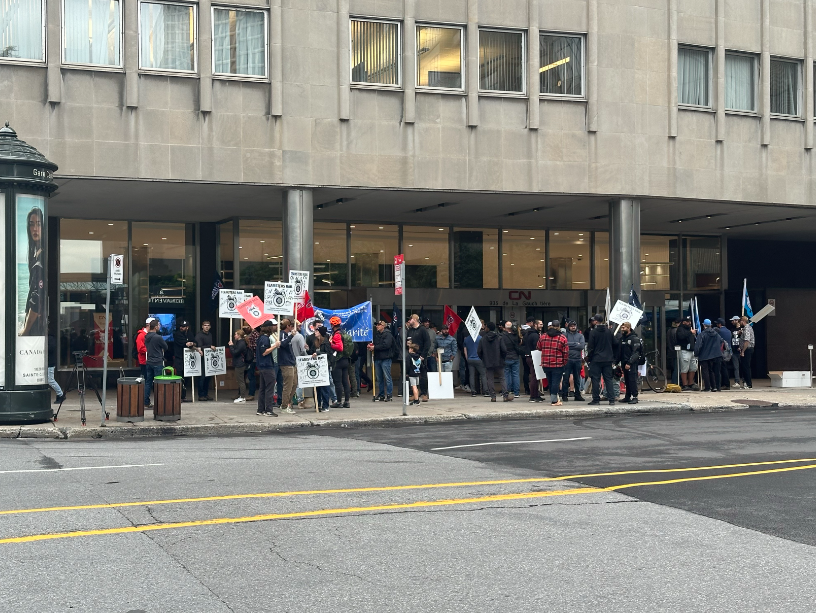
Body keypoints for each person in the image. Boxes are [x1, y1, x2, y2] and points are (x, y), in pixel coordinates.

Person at [19, 207, 44, 337]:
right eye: (32, 224)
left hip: (36, 328)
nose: (35, 228)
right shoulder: (36, 254)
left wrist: (25, 330)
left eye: (39, 224)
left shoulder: (41, 258)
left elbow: (37, 298)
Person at [586, 314, 619, 405]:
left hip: (596, 359)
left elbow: (591, 347)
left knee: (595, 379)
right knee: (608, 379)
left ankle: (596, 399)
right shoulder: (609, 331)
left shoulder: (593, 332)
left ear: (596, 321)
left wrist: (589, 357)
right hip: (608, 359)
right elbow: (615, 343)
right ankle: (611, 399)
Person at [537, 320, 569, 406]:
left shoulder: (543, 336)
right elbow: (565, 353)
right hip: (557, 363)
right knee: (556, 382)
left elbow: (538, 347)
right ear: (559, 326)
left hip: (545, 363)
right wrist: (564, 362)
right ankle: (554, 400)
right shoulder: (562, 338)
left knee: (550, 381)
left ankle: (553, 398)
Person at [477, 322, 508, 402]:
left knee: (490, 379)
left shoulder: (483, 339)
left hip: (488, 361)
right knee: (502, 378)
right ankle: (505, 396)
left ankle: (493, 396)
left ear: (488, 328)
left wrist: (483, 358)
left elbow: (479, 351)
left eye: (486, 327)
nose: (485, 328)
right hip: (499, 361)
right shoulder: (499, 338)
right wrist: (502, 358)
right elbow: (504, 350)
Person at [255, 321, 280, 416]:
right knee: (269, 388)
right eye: (272, 326)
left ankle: (260, 409)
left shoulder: (261, 337)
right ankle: (268, 410)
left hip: (262, 366)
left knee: (262, 388)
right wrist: (275, 346)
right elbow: (264, 352)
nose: (274, 328)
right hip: (267, 366)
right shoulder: (265, 339)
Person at [277, 318, 301, 413]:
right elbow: (282, 344)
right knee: (288, 385)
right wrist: (291, 336)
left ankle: (288, 403)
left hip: (291, 362)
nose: (292, 328)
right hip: (286, 363)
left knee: (294, 384)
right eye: (291, 326)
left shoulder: (286, 335)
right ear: (288, 326)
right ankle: (284, 406)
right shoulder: (282, 334)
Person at [143, 319, 167, 409]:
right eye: (159, 325)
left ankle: (146, 401)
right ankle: (159, 403)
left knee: (148, 382)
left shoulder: (146, 336)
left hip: (149, 361)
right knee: (159, 383)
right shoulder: (158, 337)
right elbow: (166, 347)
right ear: (156, 327)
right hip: (157, 362)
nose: (159, 326)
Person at [308, 326, 332, 412]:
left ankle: (325, 405)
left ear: (320, 333)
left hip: (324, 366)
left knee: (324, 386)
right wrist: (308, 350)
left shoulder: (326, 342)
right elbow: (311, 351)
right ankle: (318, 404)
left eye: (317, 331)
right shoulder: (315, 342)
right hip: (316, 365)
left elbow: (328, 353)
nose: (315, 332)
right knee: (317, 386)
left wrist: (317, 353)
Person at [695, 318, 724, 392]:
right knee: (712, 371)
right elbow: (721, 342)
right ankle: (714, 387)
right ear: (710, 325)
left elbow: (698, 346)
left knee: (705, 371)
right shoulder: (716, 334)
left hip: (704, 356)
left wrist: (696, 354)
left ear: (704, 325)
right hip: (715, 355)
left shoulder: (702, 334)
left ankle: (707, 387)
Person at [406, 315, 430, 401]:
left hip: (420, 356)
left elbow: (427, 343)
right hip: (412, 355)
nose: (409, 321)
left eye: (411, 319)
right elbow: (408, 341)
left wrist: (423, 355)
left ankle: (424, 393)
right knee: (413, 374)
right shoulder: (410, 330)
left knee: (423, 375)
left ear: (415, 320)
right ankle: (415, 393)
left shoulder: (422, 329)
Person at [618, 322, 643, 404]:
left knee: (632, 379)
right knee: (627, 380)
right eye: (621, 328)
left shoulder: (634, 338)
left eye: (624, 328)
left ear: (628, 328)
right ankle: (627, 396)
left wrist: (629, 363)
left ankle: (635, 396)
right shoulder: (622, 338)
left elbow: (636, 352)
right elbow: (620, 352)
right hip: (624, 362)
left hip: (631, 363)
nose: (622, 329)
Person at [329, 316, 352, 408]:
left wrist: (331, 343)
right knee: (345, 381)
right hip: (345, 360)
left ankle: (338, 402)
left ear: (332, 325)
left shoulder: (337, 335)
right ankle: (347, 401)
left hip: (338, 360)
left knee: (338, 382)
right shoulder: (344, 332)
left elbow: (340, 347)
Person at [369, 320, 394, 401]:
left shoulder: (388, 334)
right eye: (376, 325)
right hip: (378, 358)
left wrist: (375, 347)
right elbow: (377, 345)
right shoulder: (377, 335)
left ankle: (389, 395)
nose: (377, 326)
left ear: (383, 326)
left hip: (386, 358)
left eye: (379, 325)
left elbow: (386, 345)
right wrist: (371, 346)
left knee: (387, 377)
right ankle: (381, 394)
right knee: (379, 378)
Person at [172, 320, 196, 402]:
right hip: (179, 358)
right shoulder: (177, 334)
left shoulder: (190, 334)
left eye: (183, 326)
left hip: (188, 359)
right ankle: (178, 395)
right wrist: (189, 343)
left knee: (187, 377)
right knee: (179, 376)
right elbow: (184, 343)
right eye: (181, 326)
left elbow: (194, 342)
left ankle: (183, 395)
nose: (181, 328)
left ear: (187, 327)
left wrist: (192, 343)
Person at [562, 320, 585, 402]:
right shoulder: (565, 335)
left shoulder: (580, 335)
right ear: (568, 326)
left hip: (577, 359)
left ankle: (577, 395)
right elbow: (564, 345)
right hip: (567, 359)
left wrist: (570, 344)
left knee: (577, 378)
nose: (573, 327)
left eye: (574, 325)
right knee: (566, 378)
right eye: (571, 325)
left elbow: (582, 346)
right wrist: (576, 344)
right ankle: (564, 395)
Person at [194, 321, 216, 401]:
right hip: (201, 359)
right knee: (202, 377)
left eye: (208, 325)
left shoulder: (210, 335)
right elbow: (199, 347)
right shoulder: (199, 335)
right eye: (205, 325)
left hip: (209, 358)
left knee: (208, 377)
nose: (206, 327)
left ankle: (206, 394)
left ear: (210, 327)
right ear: (202, 326)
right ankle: (201, 395)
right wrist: (209, 346)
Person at [676, 316, 698, 391]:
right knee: (684, 368)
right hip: (684, 350)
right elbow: (681, 337)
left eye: (690, 321)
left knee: (693, 367)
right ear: (683, 322)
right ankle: (684, 384)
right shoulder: (680, 329)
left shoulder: (690, 329)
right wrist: (690, 333)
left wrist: (693, 334)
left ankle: (690, 383)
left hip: (691, 350)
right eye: (687, 321)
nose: (689, 323)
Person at [524, 320, 543, 402]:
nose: (541, 326)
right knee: (534, 377)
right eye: (540, 324)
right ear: (535, 325)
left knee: (534, 376)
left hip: (529, 356)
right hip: (534, 356)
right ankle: (533, 396)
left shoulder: (528, 333)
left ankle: (535, 394)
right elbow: (537, 347)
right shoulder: (535, 335)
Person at [464, 328, 487, 397]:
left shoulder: (466, 339)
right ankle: (485, 391)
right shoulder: (480, 338)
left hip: (470, 359)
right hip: (479, 359)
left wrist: (467, 358)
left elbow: (465, 350)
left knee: (472, 375)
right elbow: (483, 349)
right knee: (483, 375)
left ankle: (473, 391)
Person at [501, 321, 521, 399]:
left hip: (506, 357)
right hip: (515, 357)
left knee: (506, 375)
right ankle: (516, 392)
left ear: (505, 328)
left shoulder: (502, 336)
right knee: (515, 375)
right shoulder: (516, 336)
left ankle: (507, 391)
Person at [229, 329, 249, 403]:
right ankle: (241, 395)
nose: (234, 336)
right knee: (240, 380)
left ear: (239, 335)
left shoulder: (241, 343)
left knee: (241, 381)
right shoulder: (240, 342)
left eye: (235, 334)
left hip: (240, 364)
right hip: (239, 363)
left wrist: (231, 346)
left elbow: (235, 352)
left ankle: (242, 396)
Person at [48, 331, 65, 403]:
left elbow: (50, 348)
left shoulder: (50, 339)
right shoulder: (50, 338)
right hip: (49, 362)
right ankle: (60, 394)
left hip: (49, 362)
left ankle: (60, 394)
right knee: (50, 380)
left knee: (50, 380)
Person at [715, 319, 733, 390]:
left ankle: (725, 384)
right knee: (725, 367)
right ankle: (726, 383)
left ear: (719, 324)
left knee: (722, 368)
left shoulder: (719, 331)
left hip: (722, 351)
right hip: (728, 351)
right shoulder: (728, 331)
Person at [740, 316, 755, 389]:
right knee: (745, 366)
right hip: (748, 349)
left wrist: (743, 351)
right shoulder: (748, 328)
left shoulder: (747, 328)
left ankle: (748, 383)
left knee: (746, 366)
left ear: (743, 321)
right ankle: (746, 382)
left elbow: (747, 341)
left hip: (747, 349)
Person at [243, 324, 257, 401]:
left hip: (253, 358)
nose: (245, 329)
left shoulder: (254, 334)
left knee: (251, 376)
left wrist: (249, 344)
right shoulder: (248, 334)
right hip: (248, 358)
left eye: (246, 327)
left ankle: (251, 394)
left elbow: (256, 345)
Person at [728, 316, 743, 389]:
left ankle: (744, 381)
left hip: (741, 350)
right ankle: (737, 381)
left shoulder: (742, 329)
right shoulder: (732, 329)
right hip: (734, 350)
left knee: (743, 366)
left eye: (733, 321)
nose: (731, 322)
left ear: (737, 320)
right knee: (736, 367)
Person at [666, 319, 680, 385]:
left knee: (673, 367)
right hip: (675, 351)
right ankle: (675, 382)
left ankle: (674, 381)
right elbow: (676, 341)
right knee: (676, 368)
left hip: (670, 351)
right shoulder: (676, 331)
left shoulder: (669, 330)